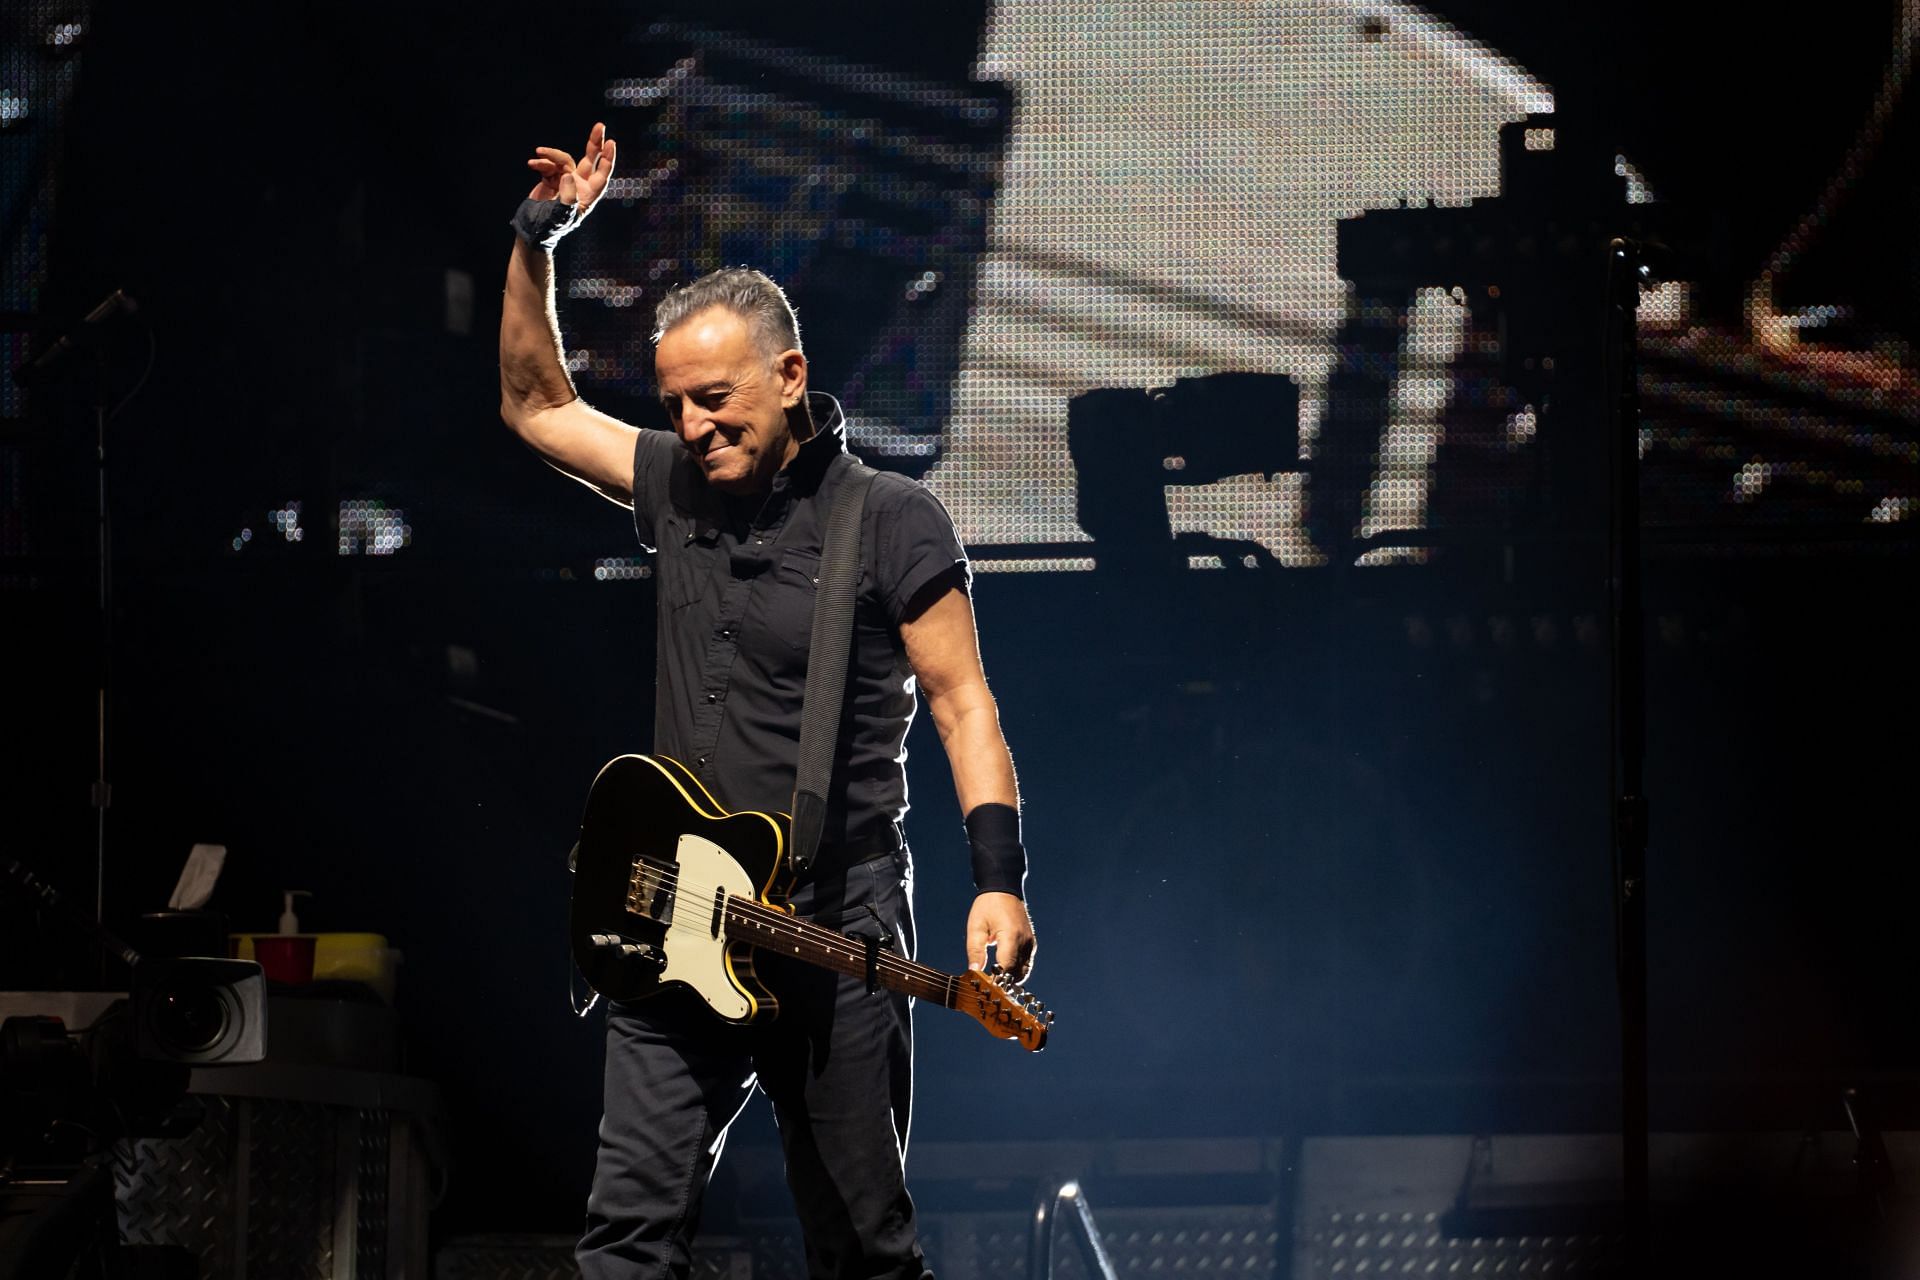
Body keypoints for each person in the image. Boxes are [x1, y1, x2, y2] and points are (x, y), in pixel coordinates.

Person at [498, 122, 1038, 1280]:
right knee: (625, 1246)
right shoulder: (675, 486)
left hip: (834, 932)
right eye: (678, 403)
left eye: (717, 398)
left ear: (791, 376)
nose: (694, 425)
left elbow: (962, 702)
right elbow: (539, 406)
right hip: (674, 919)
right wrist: (536, 240)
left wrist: (998, 877)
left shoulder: (889, 518)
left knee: (862, 1248)